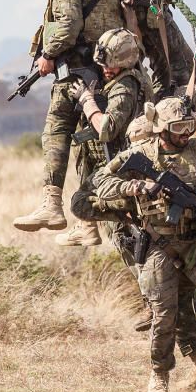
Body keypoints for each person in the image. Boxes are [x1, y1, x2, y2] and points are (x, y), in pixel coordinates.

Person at [93, 97, 196, 392]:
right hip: (159, 243)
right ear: (161, 129)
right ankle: (159, 375)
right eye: (178, 127)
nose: (185, 133)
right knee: (163, 314)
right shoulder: (139, 154)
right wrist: (132, 187)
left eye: (188, 126)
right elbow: (99, 181)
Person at [12, 0, 123, 234]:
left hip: (76, 73)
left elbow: (69, 25)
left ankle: (51, 204)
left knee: (57, 130)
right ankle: (87, 222)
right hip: (110, 74)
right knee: (93, 145)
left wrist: (48, 57)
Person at [59, 28, 149, 247]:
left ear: (126, 62)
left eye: (111, 65)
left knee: (82, 205)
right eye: (103, 64)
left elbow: (106, 128)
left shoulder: (125, 86)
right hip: (123, 166)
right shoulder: (127, 76)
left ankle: (127, 219)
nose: (106, 69)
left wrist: (87, 101)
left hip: (122, 169)